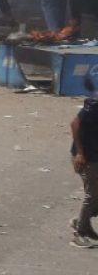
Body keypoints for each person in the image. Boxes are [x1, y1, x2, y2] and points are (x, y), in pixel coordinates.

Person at [70, 77, 98, 247]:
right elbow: (74, 124)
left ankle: (83, 223)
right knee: (93, 194)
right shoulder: (95, 103)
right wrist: (80, 153)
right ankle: (79, 232)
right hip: (87, 156)